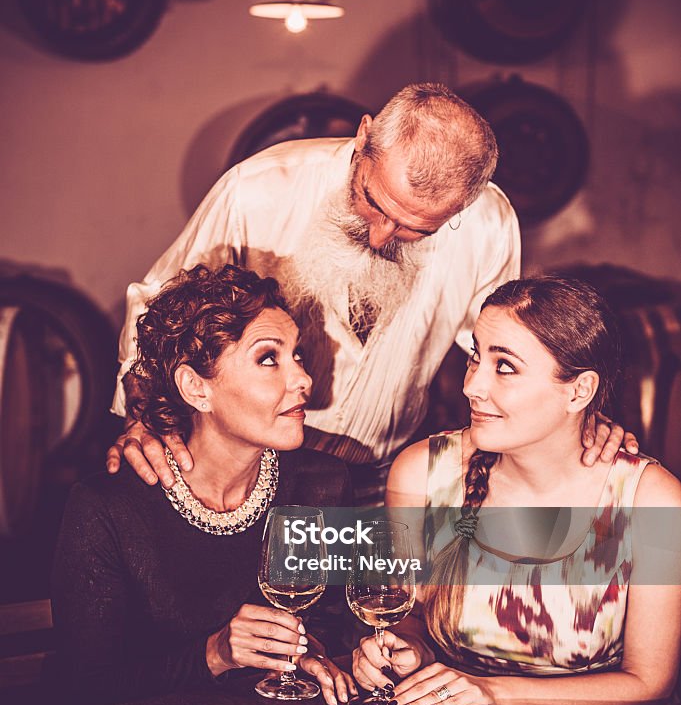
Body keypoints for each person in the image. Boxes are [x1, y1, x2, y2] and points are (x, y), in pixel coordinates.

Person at [106, 83, 635, 504]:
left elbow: (510, 348)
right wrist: (142, 417)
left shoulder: (488, 223)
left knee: (364, 619)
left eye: (416, 230)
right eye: (373, 202)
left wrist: (575, 415)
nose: (380, 236)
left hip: (386, 478)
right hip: (251, 467)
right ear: (363, 140)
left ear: (461, 207)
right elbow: (161, 305)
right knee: (258, 623)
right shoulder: (260, 188)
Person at [352, 277, 681, 705]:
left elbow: (647, 688)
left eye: (504, 366)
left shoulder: (652, 499)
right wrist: (403, 647)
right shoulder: (422, 473)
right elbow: (407, 613)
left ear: (580, 391)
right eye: (474, 357)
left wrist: (491, 692)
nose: (472, 385)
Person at [52, 264, 356, 705]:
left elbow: (335, 624)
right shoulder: (105, 508)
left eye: (297, 356)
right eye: (269, 358)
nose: (303, 380)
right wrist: (214, 654)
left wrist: (312, 656)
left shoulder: (322, 485)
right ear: (196, 388)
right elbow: (88, 687)